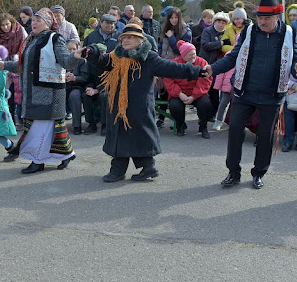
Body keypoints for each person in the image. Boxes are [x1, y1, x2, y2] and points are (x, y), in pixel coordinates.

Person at [77, 18, 202, 182]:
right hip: (118, 105)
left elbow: (171, 68)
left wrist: (196, 71)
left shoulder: (149, 58)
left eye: (129, 37)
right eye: (124, 38)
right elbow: (102, 62)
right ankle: (144, 167)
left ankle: (123, 169)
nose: (125, 40)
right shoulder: (117, 56)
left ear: (139, 40)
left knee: (138, 135)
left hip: (139, 107)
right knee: (123, 135)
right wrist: (91, 53)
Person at [202, 0, 297, 189]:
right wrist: (213, 68)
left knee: (265, 137)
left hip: (272, 95)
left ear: (277, 17)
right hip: (244, 92)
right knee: (235, 131)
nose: (262, 22)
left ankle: (258, 173)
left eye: (267, 18)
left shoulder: (289, 33)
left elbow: (295, 58)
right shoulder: (249, 31)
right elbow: (233, 57)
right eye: (260, 18)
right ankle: (233, 172)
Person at [0, 8, 78, 174]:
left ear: (47, 23)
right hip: (33, 91)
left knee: (38, 130)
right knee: (48, 128)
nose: (34, 23)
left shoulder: (55, 38)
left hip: (49, 93)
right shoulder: (30, 40)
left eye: (39, 20)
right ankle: (66, 154)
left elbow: (66, 61)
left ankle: (38, 161)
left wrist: (76, 56)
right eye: (33, 20)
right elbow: (24, 65)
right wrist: (5, 65)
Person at [164, 40, 212, 138]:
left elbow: (205, 81)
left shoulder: (202, 62)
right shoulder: (175, 64)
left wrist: (194, 96)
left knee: (206, 105)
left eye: (194, 54)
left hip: (197, 93)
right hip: (179, 93)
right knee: (175, 106)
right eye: (190, 54)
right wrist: (180, 94)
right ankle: (180, 125)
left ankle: (203, 126)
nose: (193, 56)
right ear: (183, 55)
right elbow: (168, 81)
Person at [199, 11, 229, 116]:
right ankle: (203, 114)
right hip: (205, 63)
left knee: (215, 91)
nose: (221, 24)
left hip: (217, 65)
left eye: (223, 22)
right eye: (219, 22)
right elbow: (205, 45)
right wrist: (220, 43)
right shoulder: (207, 31)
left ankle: (212, 114)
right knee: (204, 90)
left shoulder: (226, 33)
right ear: (215, 22)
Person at [65, 39, 91, 135]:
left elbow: (85, 77)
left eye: (73, 49)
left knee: (74, 96)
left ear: (78, 49)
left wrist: (74, 78)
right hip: (63, 86)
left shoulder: (82, 61)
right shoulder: (61, 59)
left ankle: (77, 126)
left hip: (77, 86)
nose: (71, 51)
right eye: (69, 49)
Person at [211, 51, 235, 131]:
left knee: (237, 106)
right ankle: (218, 121)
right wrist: (218, 85)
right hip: (228, 84)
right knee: (223, 104)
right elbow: (221, 72)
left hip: (239, 84)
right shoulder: (229, 54)